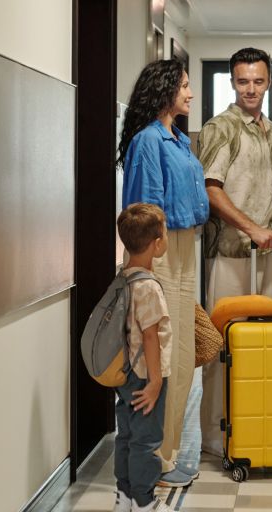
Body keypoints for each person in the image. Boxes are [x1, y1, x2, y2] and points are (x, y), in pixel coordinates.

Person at [117, 59, 208, 487]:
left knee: (184, 351)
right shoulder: (147, 141)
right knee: (161, 352)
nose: (190, 93)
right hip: (161, 249)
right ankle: (155, 459)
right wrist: (145, 270)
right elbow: (144, 211)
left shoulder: (179, 141)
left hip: (186, 245)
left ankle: (169, 451)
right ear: (166, 90)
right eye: (185, 86)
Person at [196, 47, 272, 457]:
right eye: (242, 81)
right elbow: (211, 189)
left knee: (263, 345)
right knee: (224, 347)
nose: (250, 89)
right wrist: (252, 227)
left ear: (268, 82)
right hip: (231, 255)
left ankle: (255, 427)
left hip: (266, 256)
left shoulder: (271, 130)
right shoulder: (222, 127)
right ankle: (218, 439)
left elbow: (267, 191)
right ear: (232, 82)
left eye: (258, 80)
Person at [112, 203, 174, 512]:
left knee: (126, 435)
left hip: (125, 373)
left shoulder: (122, 277)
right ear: (156, 243)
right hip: (145, 375)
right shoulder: (149, 287)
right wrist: (155, 381)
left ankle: (124, 497)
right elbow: (151, 336)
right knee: (146, 441)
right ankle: (144, 501)